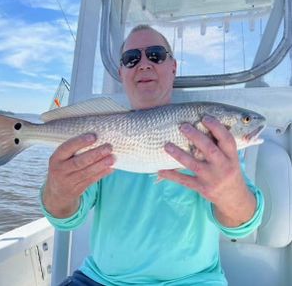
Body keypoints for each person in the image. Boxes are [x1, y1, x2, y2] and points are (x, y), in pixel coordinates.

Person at [41, 25, 264, 286]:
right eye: (131, 58)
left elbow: (241, 224)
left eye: (156, 55)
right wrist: (58, 190)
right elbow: (66, 217)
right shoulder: (96, 135)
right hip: (99, 280)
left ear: (173, 67)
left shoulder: (212, 142)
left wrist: (230, 192)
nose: (144, 64)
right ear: (121, 73)